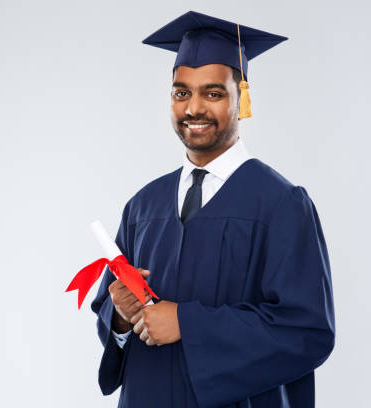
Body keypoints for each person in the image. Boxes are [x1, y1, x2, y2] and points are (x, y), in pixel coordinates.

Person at [89, 10, 335, 408]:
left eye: (213, 93)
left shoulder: (281, 205)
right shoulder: (143, 206)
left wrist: (187, 323)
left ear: (242, 98)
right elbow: (110, 316)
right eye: (181, 92)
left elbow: (307, 332)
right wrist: (119, 317)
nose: (193, 108)